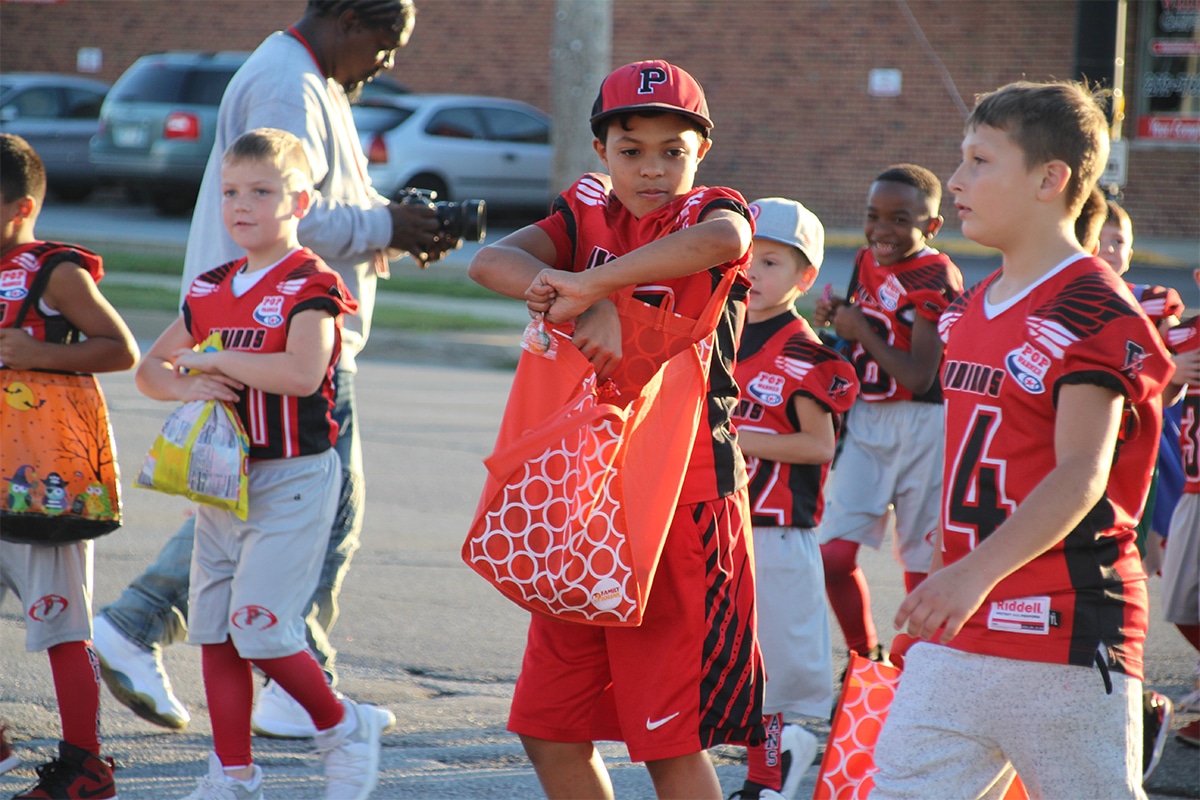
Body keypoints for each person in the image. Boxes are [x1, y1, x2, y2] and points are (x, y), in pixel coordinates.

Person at [91, 0, 448, 738]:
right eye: (385, 43)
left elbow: (314, 206)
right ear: (348, 18)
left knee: (261, 506)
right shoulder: (289, 83)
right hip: (275, 335)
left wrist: (387, 220)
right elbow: (297, 219)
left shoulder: (308, 79)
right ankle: (256, 675)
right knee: (312, 512)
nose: (388, 63)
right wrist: (385, 225)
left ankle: (267, 681)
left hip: (262, 331)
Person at [468, 60, 765, 800]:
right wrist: (565, 298)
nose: (653, 168)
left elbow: (722, 241)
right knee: (548, 728)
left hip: (682, 506)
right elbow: (489, 261)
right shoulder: (585, 210)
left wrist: (592, 286)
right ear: (601, 152)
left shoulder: (711, 211)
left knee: (668, 743)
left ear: (701, 152)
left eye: (674, 150)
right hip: (585, 502)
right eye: (632, 150)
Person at [872, 80, 1175, 800]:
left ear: (1049, 178)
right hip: (958, 633)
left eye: (979, 160)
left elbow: (1081, 474)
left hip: (1062, 634)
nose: (955, 180)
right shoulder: (977, 301)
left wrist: (972, 573)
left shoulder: (1094, 305)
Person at [137, 128, 392, 800]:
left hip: (296, 479)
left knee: (260, 629)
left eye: (262, 191)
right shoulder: (213, 285)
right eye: (230, 192)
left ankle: (344, 728)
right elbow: (150, 368)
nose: (242, 204)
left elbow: (303, 373)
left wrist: (215, 359)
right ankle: (232, 774)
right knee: (215, 635)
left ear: (299, 201)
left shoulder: (314, 283)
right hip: (222, 481)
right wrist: (187, 382)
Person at [0, 134, 138, 800]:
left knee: (59, 620)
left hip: (41, 485)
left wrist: (35, 350)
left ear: (19, 207)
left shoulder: (54, 272)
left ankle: (85, 763)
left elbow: (120, 348)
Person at [727, 198, 858, 800]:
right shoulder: (714, 335)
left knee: (770, 667)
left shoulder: (808, 355)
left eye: (772, 262)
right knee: (726, 662)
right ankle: (766, 768)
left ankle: (765, 776)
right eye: (745, 258)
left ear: (806, 277)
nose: (752, 273)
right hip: (717, 521)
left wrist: (734, 433)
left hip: (775, 528)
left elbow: (818, 446)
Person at [812, 164, 964, 665]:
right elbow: (859, 328)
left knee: (921, 565)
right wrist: (837, 323)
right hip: (868, 420)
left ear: (932, 226)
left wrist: (862, 332)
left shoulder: (937, 274)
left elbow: (920, 375)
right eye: (873, 216)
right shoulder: (865, 257)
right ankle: (864, 658)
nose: (882, 230)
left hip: (924, 425)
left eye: (900, 219)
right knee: (833, 555)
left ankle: (917, 668)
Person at [1162, 269, 1200, 749]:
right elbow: (1155, 392)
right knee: (1181, 600)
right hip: (1193, 488)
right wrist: (1173, 372)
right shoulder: (1187, 333)